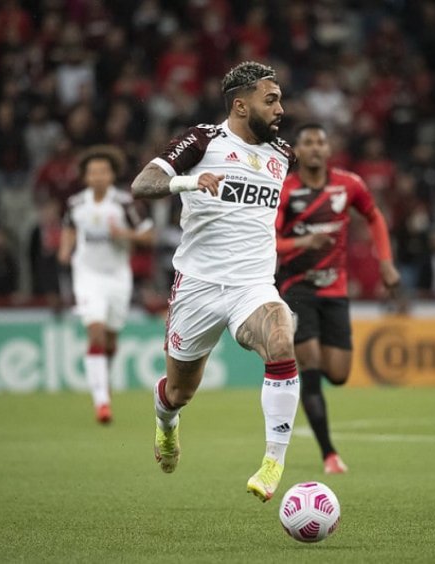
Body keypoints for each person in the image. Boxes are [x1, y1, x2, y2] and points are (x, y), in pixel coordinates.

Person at [130, 61, 300, 503]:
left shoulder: (283, 154)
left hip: (253, 286)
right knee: (179, 392)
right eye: (271, 99)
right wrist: (188, 183)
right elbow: (143, 184)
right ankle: (166, 422)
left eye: (279, 98)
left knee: (281, 340)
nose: (280, 107)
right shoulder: (203, 139)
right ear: (241, 105)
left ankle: (273, 461)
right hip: (199, 286)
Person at [275, 123, 400, 474]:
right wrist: (302, 243)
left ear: (328, 150)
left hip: (335, 291)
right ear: (297, 150)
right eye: (308, 142)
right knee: (310, 363)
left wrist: (386, 263)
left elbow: (374, 218)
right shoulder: (285, 191)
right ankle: (329, 454)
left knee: (340, 374)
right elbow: (270, 242)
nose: (315, 148)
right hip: (296, 290)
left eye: (320, 142)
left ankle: (312, 383)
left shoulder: (349, 185)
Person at [58, 145, 155, 424]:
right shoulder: (76, 204)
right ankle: (102, 402)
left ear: (112, 175)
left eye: (103, 171)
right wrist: (66, 250)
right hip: (87, 276)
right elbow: (69, 227)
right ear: (85, 177)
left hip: (117, 277)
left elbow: (148, 237)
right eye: (93, 172)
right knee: (96, 332)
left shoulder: (125, 203)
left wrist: (124, 234)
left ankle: (104, 379)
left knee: (111, 337)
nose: (98, 176)